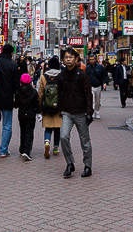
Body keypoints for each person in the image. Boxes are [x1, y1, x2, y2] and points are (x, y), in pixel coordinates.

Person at [59, 48, 94, 178]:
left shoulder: (82, 75)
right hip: (67, 112)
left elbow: (88, 94)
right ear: (63, 60)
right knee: (63, 136)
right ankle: (70, 163)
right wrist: (59, 109)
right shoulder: (61, 75)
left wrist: (89, 112)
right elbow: (59, 93)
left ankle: (88, 165)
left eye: (71, 57)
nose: (68, 59)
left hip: (81, 112)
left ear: (76, 59)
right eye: (66, 57)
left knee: (85, 140)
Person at [37, 56, 63, 158]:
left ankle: (47, 142)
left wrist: (39, 106)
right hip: (58, 106)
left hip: (46, 106)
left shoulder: (44, 76)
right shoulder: (61, 76)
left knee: (48, 128)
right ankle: (56, 148)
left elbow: (40, 93)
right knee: (57, 128)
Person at [15, 72, 40, 161]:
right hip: (30, 114)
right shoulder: (33, 91)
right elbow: (37, 104)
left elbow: (16, 104)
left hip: (21, 114)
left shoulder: (18, 91)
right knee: (29, 132)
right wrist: (38, 113)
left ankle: (22, 149)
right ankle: (27, 151)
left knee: (23, 131)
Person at [85, 53, 108, 119]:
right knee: (92, 100)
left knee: (98, 100)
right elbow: (85, 77)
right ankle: (92, 112)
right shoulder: (88, 68)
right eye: (90, 59)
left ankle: (97, 111)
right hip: (90, 86)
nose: (91, 61)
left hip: (98, 85)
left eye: (92, 59)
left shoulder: (100, 67)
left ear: (95, 59)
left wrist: (104, 83)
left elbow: (104, 76)